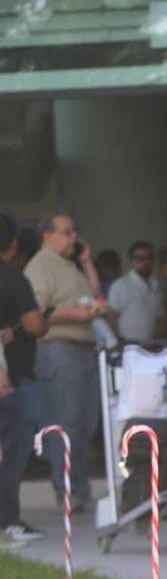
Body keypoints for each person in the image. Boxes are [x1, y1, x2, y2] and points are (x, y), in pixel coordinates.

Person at [23, 213, 107, 513]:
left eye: (74, 232)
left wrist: (85, 261)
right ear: (48, 234)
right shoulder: (40, 267)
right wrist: (76, 316)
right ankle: (67, 491)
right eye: (67, 232)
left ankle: (79, 489)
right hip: (59, 348)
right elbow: (37, 313)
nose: (74, 238)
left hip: (83, 348)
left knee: (84, 423)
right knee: (65, 423)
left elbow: (95, 296)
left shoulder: (69, 266)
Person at [0, 213, 49, 542]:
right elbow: (34, 325)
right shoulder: (12, 278)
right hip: (9, 379)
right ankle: (8, 519)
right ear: (13, 245)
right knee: (14, 448)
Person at [107, 241, 162, 343]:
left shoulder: (156, 286)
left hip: (151, 346)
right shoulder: (120, 285)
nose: (146, 262)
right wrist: (118, 343)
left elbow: (158, 319)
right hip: (127, 346)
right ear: (131, 262)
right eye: (140, 259)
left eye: (150, 258)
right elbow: (111, 318)